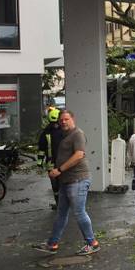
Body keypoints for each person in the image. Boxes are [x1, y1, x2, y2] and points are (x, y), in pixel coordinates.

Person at [33, 110, 100, 255]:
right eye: (61, 120)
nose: (63, 122)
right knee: (61, 213)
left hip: (78, 179)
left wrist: (60, 169)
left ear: (72, 119)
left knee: (79, 212)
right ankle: (52, 244)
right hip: (66, 181)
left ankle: (92, 243)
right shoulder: (64, 135)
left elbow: (79, 155)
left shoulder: (77, 134)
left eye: (66, 119)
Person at [37, 107, 64, 203]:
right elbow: (42, 148)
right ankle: (60, 203)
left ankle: (61, 203)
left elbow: (41, 148)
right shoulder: (49, 132)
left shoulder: (47, 132)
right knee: (57, 185)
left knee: (59, 185)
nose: (55, 125)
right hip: (56, 163)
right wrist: (39, 161)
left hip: (57, 163)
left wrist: (39, 162)